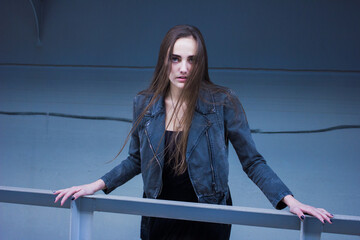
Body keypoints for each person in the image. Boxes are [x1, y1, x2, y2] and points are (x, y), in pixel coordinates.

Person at [54, 25, 333, 239]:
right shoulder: (145, 103)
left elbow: (253, 162)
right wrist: (95, 185)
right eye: (175, 59)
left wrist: (291, 201)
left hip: (209, 221)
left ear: (201, 63)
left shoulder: (222, 102)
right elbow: (136, 160)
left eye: (192, 59)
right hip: (158, 219)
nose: (184, 68)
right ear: (164, 60)